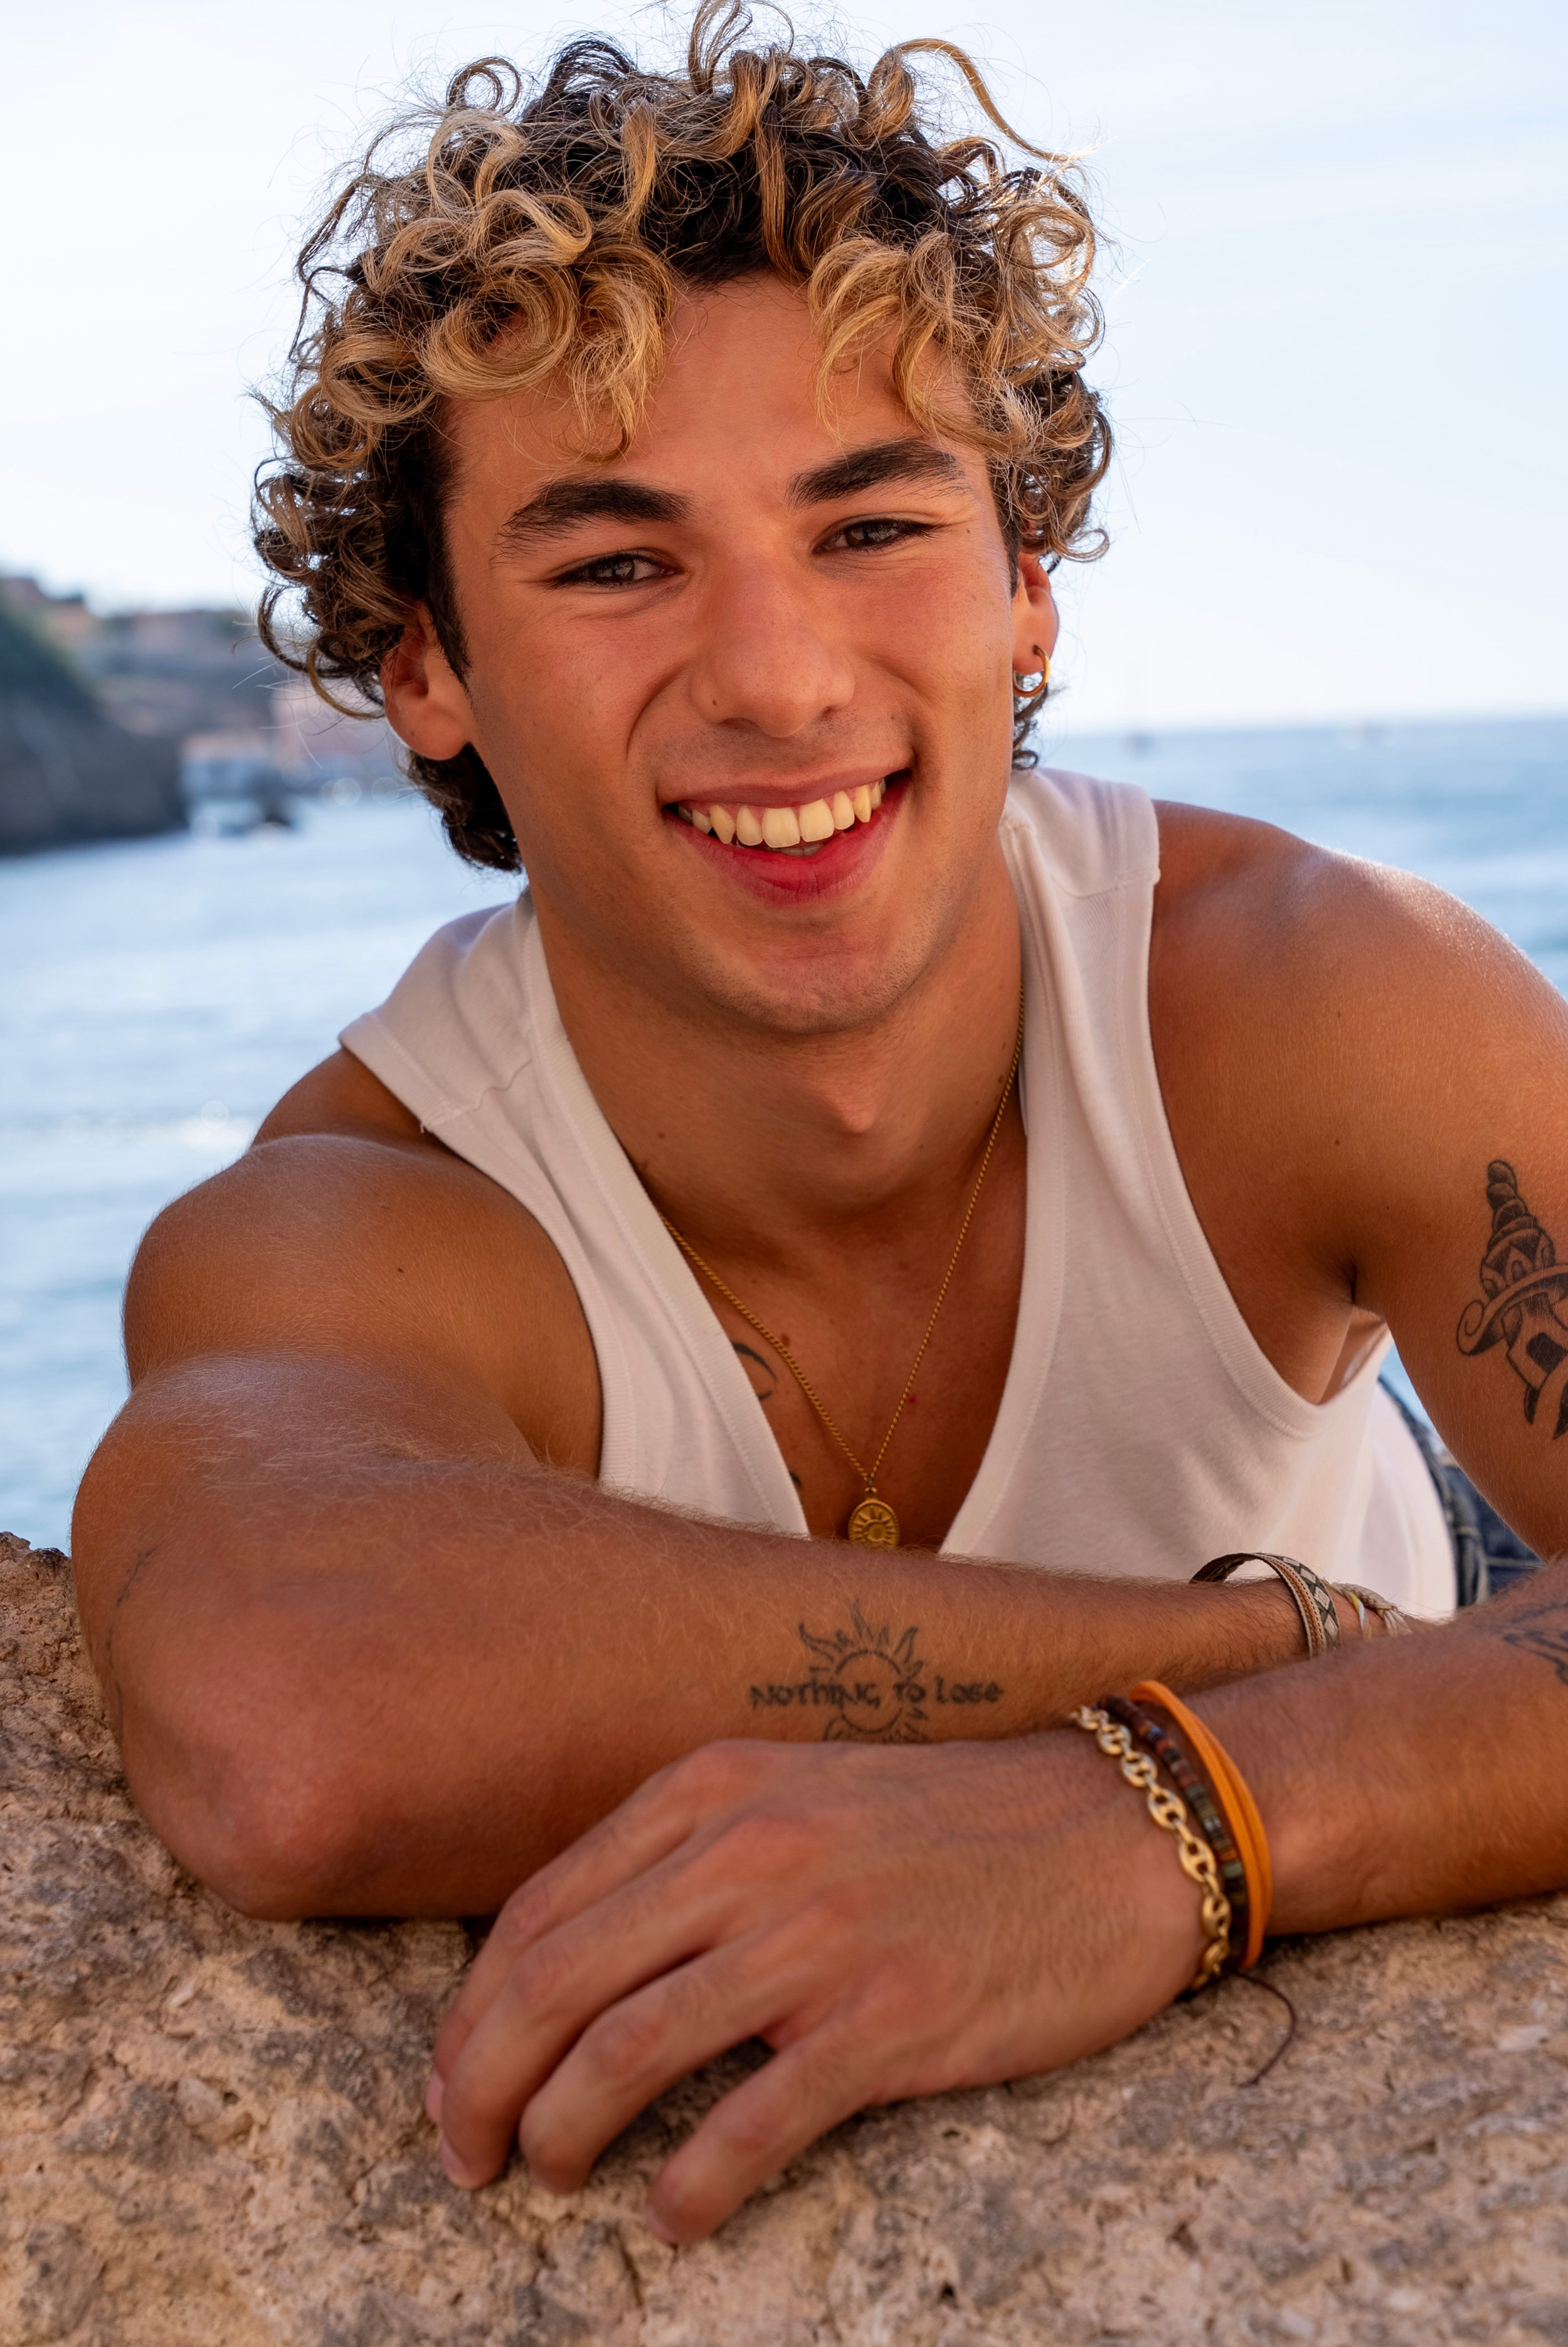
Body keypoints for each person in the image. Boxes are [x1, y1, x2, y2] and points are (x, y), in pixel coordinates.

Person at [72, 7, 1567, 2243]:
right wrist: (1311, 1663)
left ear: (1024, 580)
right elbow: (293, 1705)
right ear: (424, 670)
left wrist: (1165, 1819)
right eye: (612, 563)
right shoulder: (379, 1206)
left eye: (869, 522)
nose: (777, 678)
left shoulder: (1301, 995)